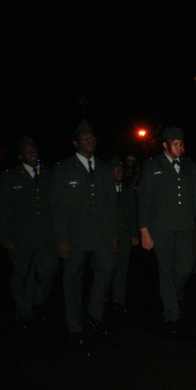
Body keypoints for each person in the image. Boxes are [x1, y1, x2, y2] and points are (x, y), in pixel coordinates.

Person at [51, 120, 119, 343]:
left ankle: (94, 314)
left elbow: (111, 205)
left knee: (108, 268)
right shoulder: (63, 170)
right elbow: (58, 208)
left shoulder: (105, 169)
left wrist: (114, 234)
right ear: (75, 142)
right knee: (72, 279)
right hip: (75, 236)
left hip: (101, 234)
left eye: (92, 137)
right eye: (84, 137)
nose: (90, 140)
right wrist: (62, 239)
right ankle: (74, 325)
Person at [138, 127, 196, 334]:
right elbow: (144, 199)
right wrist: (144, 229)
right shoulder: (153, 166)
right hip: (161, 228)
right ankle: (171, 315)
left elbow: (195, 197)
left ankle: (167, 294)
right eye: (175, 144)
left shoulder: (188, 166)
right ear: (165, 145)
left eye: (181, 144)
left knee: (185, 268)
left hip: (185, 226)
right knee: (166, 270)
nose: (179, 147)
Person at [0, 135, 58, 326]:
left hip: (47, 236)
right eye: (27, 150)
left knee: (49, 270)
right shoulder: (11, 177)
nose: (32, 152)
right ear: (21, 156)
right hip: (21, 236)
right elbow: (3, 208)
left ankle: (38, 300)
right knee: (23, 274)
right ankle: (24, 310)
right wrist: (5, 235)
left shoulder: (49, 174)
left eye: (34, 149)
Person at [109, 158, 139, 313]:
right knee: (107, 268)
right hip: (108, 237)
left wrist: (134, 234)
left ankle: (118, 300)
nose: (118, 173)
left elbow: (132, 214)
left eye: (120, 170)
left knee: (122, 269)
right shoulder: (105, 191)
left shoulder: (127, 191)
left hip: (125, 236)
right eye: (115, 170)